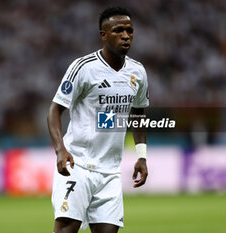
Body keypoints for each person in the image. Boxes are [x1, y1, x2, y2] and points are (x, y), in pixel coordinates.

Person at [47, 6, 149, 233]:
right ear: (103, 34)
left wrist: (141, 155)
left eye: (130, 31)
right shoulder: (83, 68)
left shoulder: (137, 72)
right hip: (78, 165)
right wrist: (60, 150)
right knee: (66, 229)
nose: (126, 35)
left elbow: (139, 113)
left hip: (110, 171)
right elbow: (55, 110)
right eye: (118, 30)